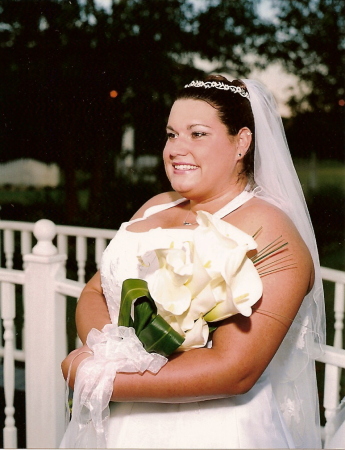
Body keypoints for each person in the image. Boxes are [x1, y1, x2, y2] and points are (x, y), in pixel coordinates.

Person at [60, 75, 325, 449]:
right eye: (171, 134)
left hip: (212, 430)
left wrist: (98, 377)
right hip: (119, 426)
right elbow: (96, 292)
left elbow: (236, 370)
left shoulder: (270, 231)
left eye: (197, 134)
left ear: (242, 143)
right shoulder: (156, 205)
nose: (175, 149)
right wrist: (111, 352)